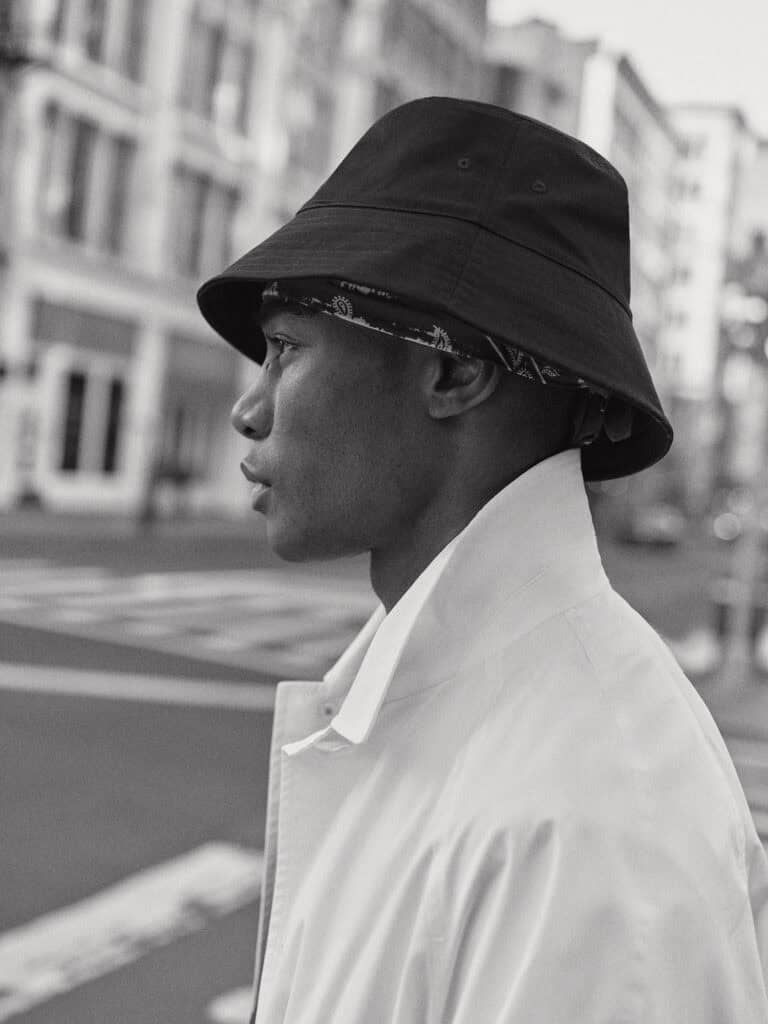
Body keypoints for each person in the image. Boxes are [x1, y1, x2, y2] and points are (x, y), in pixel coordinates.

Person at [197, 98, 768, 1023]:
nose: (250, 407)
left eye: (286, 349)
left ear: (454, 372)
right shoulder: (461, 711)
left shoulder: (584, 824)